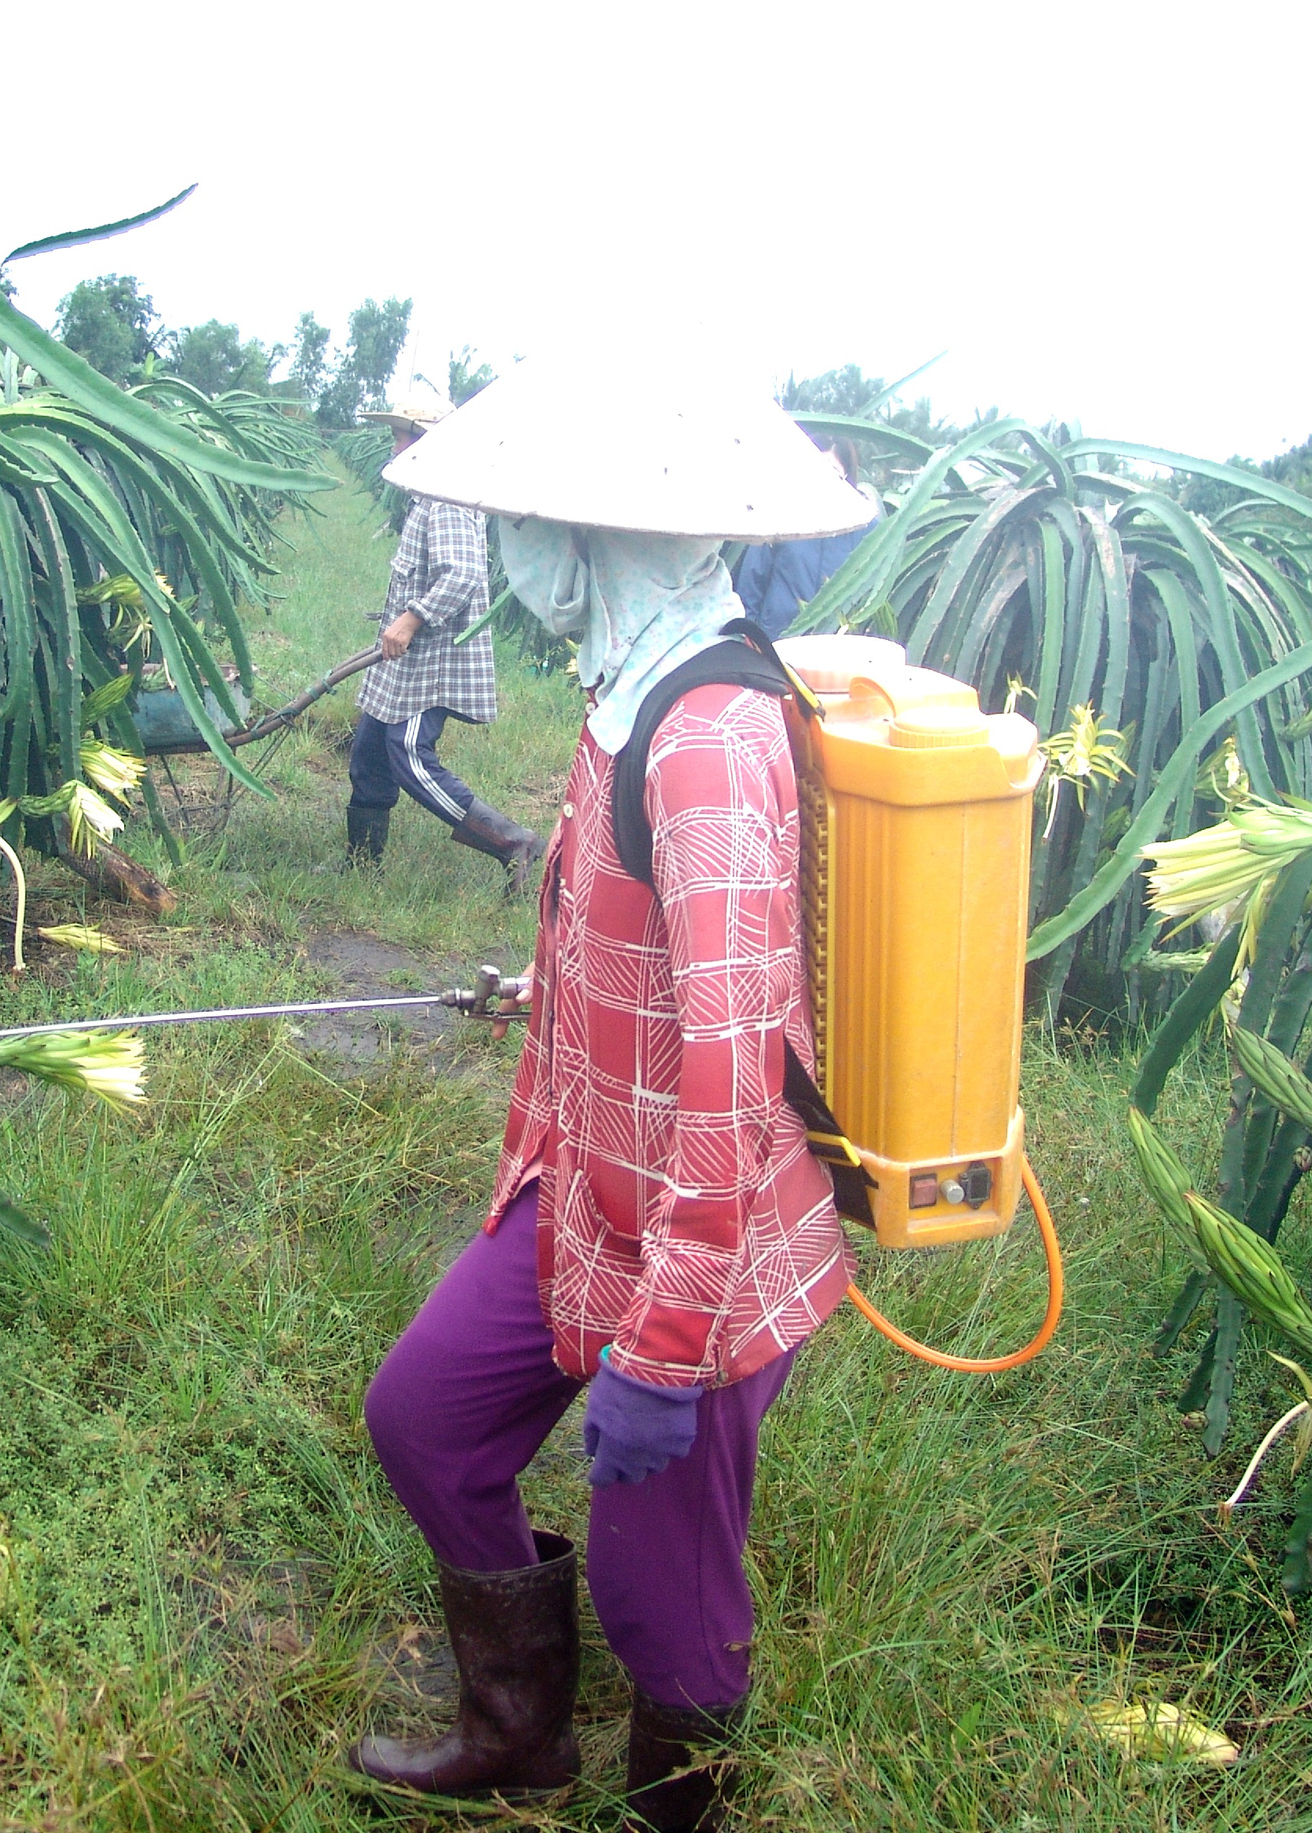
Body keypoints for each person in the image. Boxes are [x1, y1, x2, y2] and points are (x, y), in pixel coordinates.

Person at [350, 369, 875, 1830]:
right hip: (587, 1188)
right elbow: (669, 961)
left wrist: (667, 1342)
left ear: (606, 535)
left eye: (534, 520)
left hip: (698, 1248)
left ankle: (676, 1810)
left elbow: (735, 1066)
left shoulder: (708, 735)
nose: (515, 547)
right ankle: (520, 1733)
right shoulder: (629, 680)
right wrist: (563, 987)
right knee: (426, 1422)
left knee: (670, 1601)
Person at [346, 403, 541, 889]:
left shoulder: (448, 500)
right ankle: (361, 867)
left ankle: (513, 842)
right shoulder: (427, 498)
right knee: (371, 750)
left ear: (430, 443)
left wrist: (412, 619)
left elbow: (464, 573)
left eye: (401, 438)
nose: (394, 448)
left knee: (407, 751)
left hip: (433, 659)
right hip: (407, 658)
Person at [732, 436, 879, 638]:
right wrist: (750, 639)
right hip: (776, 642)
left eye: (832, 471)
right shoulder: (780, 513)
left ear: (846, 473)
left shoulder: (866, 526)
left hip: (838, 647)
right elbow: (752, 582)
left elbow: (873, 592)